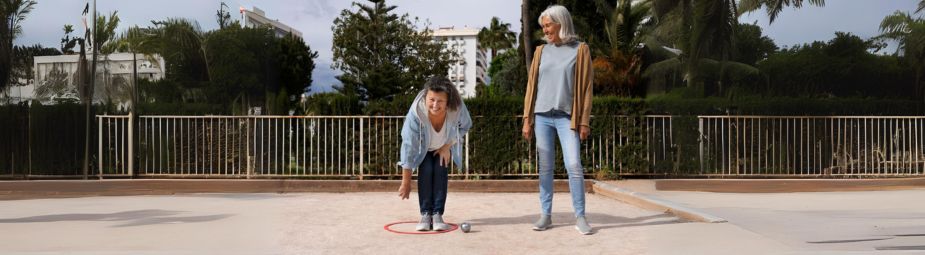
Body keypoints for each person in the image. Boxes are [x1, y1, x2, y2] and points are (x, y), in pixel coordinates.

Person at [521, 4, 594, 235]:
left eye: (548, 25)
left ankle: (580, 217)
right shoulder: (541, 51)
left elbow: (587, 89)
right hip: (542, 116)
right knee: (545, 168)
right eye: (543, 26)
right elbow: (532, 86)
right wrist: (527, 119)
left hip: (566, 118)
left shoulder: (580, 50)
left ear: (561, 23)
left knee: (573, 165)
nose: (545, 30)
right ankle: (546, 215)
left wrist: (584, 121)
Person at [398, 76, 472, 231]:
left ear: (448, 102)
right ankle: (425, 214)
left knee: (439, 171)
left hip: (442, 146)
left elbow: (465, 126)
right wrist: (406, 182)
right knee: (426, 171)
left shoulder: (456, 107)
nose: (435, 105)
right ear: (426, 97)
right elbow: (408, 147)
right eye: (431, 100)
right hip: (422, 148)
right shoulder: (416, 113)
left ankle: (437, 214)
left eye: (440, 101)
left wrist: (447, 146)